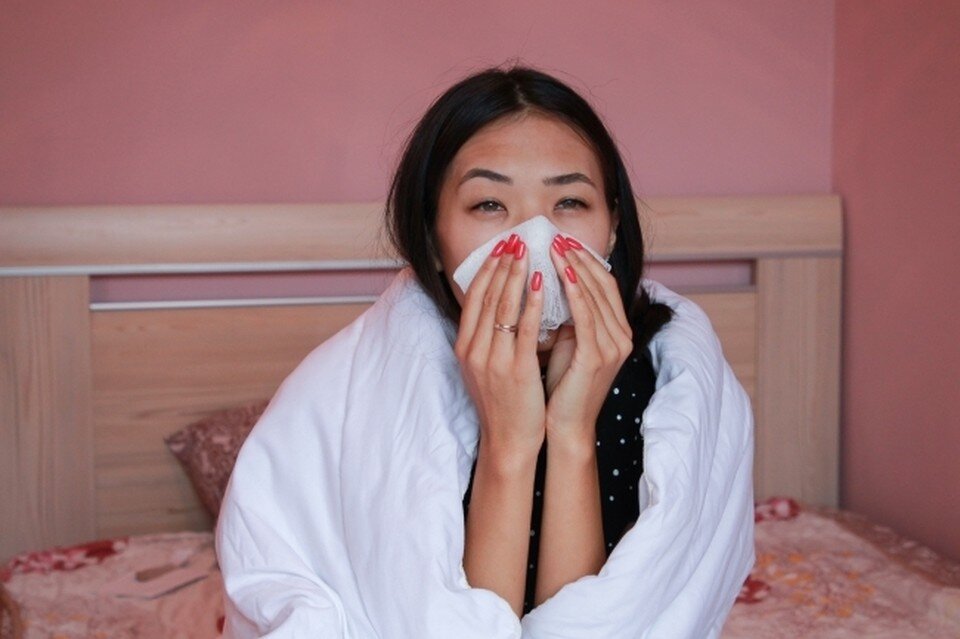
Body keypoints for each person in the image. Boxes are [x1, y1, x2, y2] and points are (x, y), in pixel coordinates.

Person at [217, 64, 754, 638]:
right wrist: (509, 443)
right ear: (432, 237)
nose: (535, 237)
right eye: (489, 206)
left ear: (614, 225)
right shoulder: (345, 392)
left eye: (570, 202)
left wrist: (571, 430)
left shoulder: (674, 388)